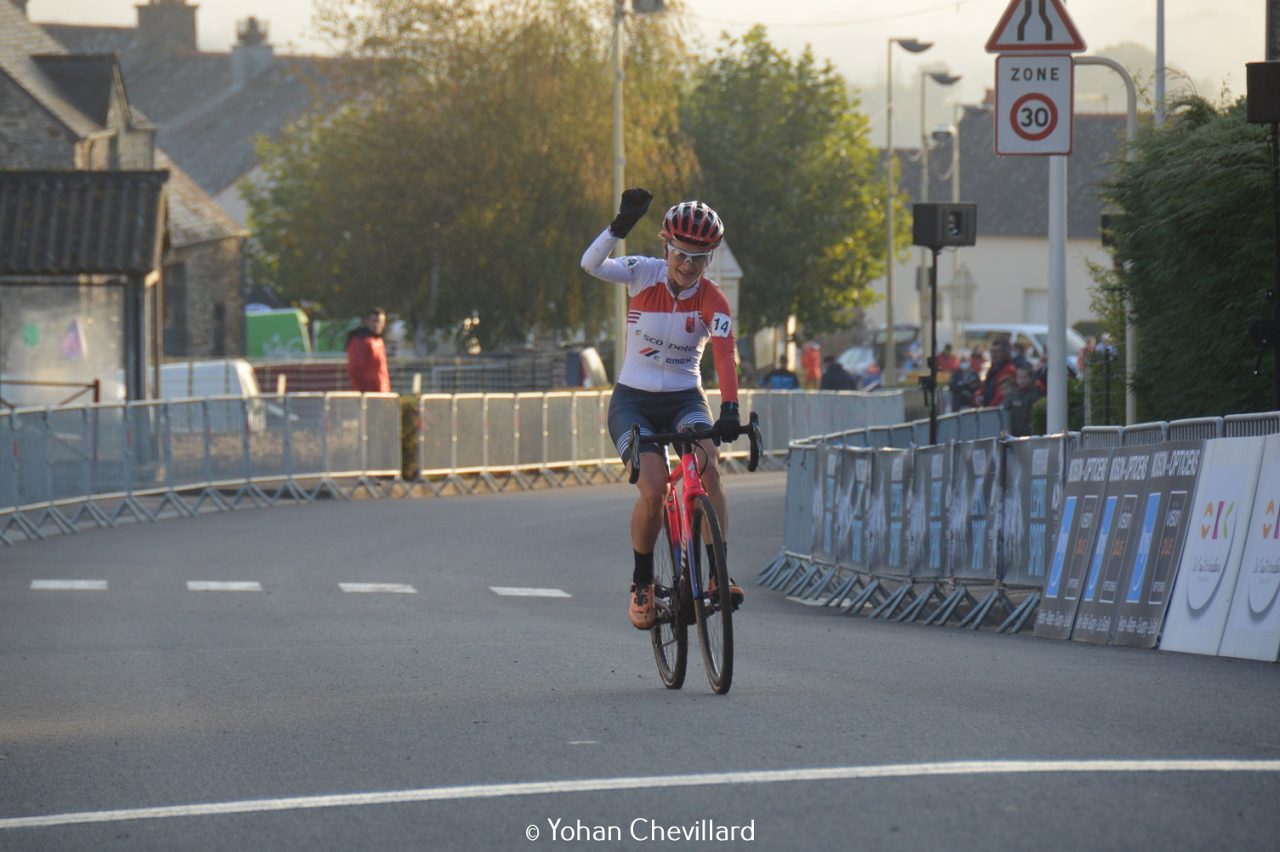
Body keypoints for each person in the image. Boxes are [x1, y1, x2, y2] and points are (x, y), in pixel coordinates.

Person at [581, 189, 744, 630]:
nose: (688, 266)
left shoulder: (713, 299)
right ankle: (642, 582)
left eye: (699, 258)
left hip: (684, 400)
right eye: (680, 254)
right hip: (632, 402)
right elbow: (590, 265)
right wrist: (619, 226)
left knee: (709, 465)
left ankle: (717, 575)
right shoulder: (642, 274)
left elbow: (725, 354)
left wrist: (729, 406)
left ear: (710, 259)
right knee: (653, 490)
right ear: (665, 247)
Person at [345, 307, 390, 393]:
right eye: (374, 321)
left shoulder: (378, 341)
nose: (377, 325)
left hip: (381, 391)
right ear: (367, 322)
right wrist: (364, 390)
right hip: (368, 393)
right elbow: (356, 369)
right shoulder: (360, 340)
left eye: (380, 322)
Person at [1002, 363, 1044, 436]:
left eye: (1025, 378)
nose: (1022, 381)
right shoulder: (1013, 395)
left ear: (1031, 378)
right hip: (1015, 434)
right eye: (1019, 377)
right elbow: (1004, 407)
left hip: (1030, 435)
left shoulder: (1035, 395)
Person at [979, 336, 1017, 407]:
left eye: (997, 351)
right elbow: (983, 388)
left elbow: (1001, 395)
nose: (993, 354)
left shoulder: (1009, 370)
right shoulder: (993, 368)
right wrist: (978, 396)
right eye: (992, 351)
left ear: (1005, 353)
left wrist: (988, 409)